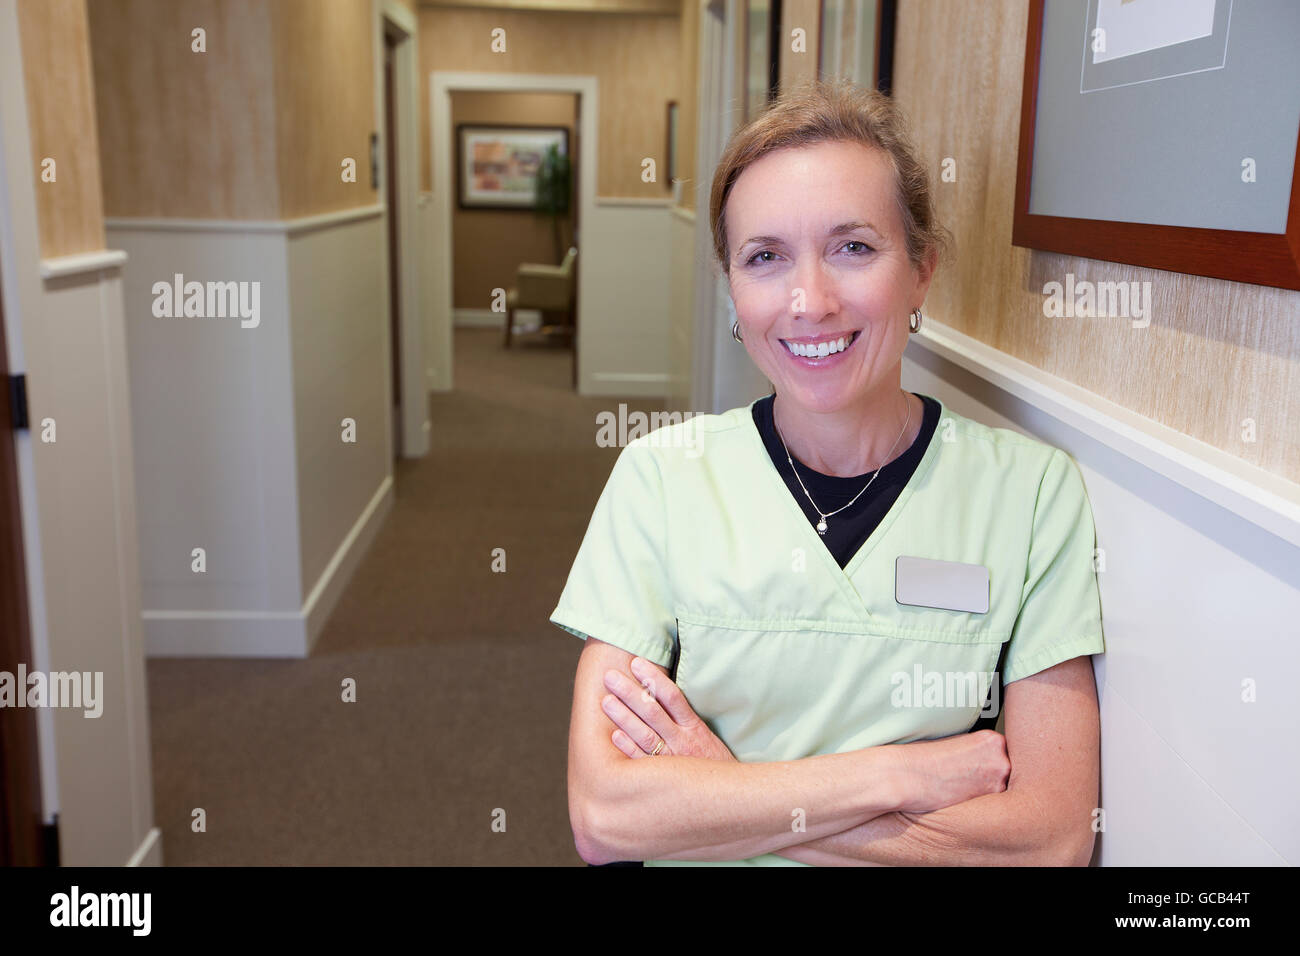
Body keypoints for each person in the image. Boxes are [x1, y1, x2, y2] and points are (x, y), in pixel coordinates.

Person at [550, 77, 1104, 866]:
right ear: (734, 294)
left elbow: (1048, 840)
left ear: (921, 272)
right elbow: (607, 819)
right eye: (766, 257)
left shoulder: (1033, 495)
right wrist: (898, 773)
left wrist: (725, 789)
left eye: (853, 248)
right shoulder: (660, 479)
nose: (809, 300)